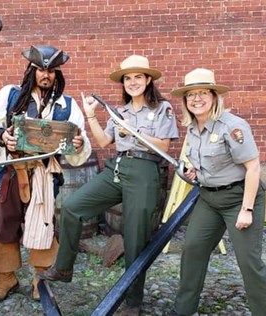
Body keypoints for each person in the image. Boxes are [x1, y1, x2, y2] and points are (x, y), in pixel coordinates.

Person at [39, 55, 179, 315]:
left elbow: (163, 147)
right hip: (118, 168)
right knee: (72, 206)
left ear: (148, 80)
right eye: (128, 78)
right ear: (123, 83)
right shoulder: (120, 112)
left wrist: (133, 132)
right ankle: (64, 267)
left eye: (138, 77)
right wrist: (91, 116)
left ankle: (133, 302)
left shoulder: (162, 108)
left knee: (136, 239)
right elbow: (104, 142)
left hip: (145, 170)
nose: (133, 82)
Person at [0, 44, 92, 301]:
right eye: (41, 70)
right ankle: (5, 278)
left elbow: (79, 140)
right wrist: (2, 137)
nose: (46, 75)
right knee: (5, 224)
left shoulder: (67, 105)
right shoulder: (10, 95)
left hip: (44, 173)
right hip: (13, 170)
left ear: (57, 74)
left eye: (51, 70)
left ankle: (40, 279)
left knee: (43, 225)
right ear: (31, 71)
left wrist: (79, 143)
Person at [169, 68, 266, 316]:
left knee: (249, 263)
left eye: (203, 93)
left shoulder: (233, 126)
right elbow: (208, 164)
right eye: (191, 95)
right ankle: (182, 310)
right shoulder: (193, 128)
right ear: (185, 101)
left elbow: (253, 167)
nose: (196, 99)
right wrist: (195, 173)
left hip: (239, 198)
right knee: (193, 251)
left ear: (214, 96)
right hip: (209, 199)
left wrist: (247, 210)